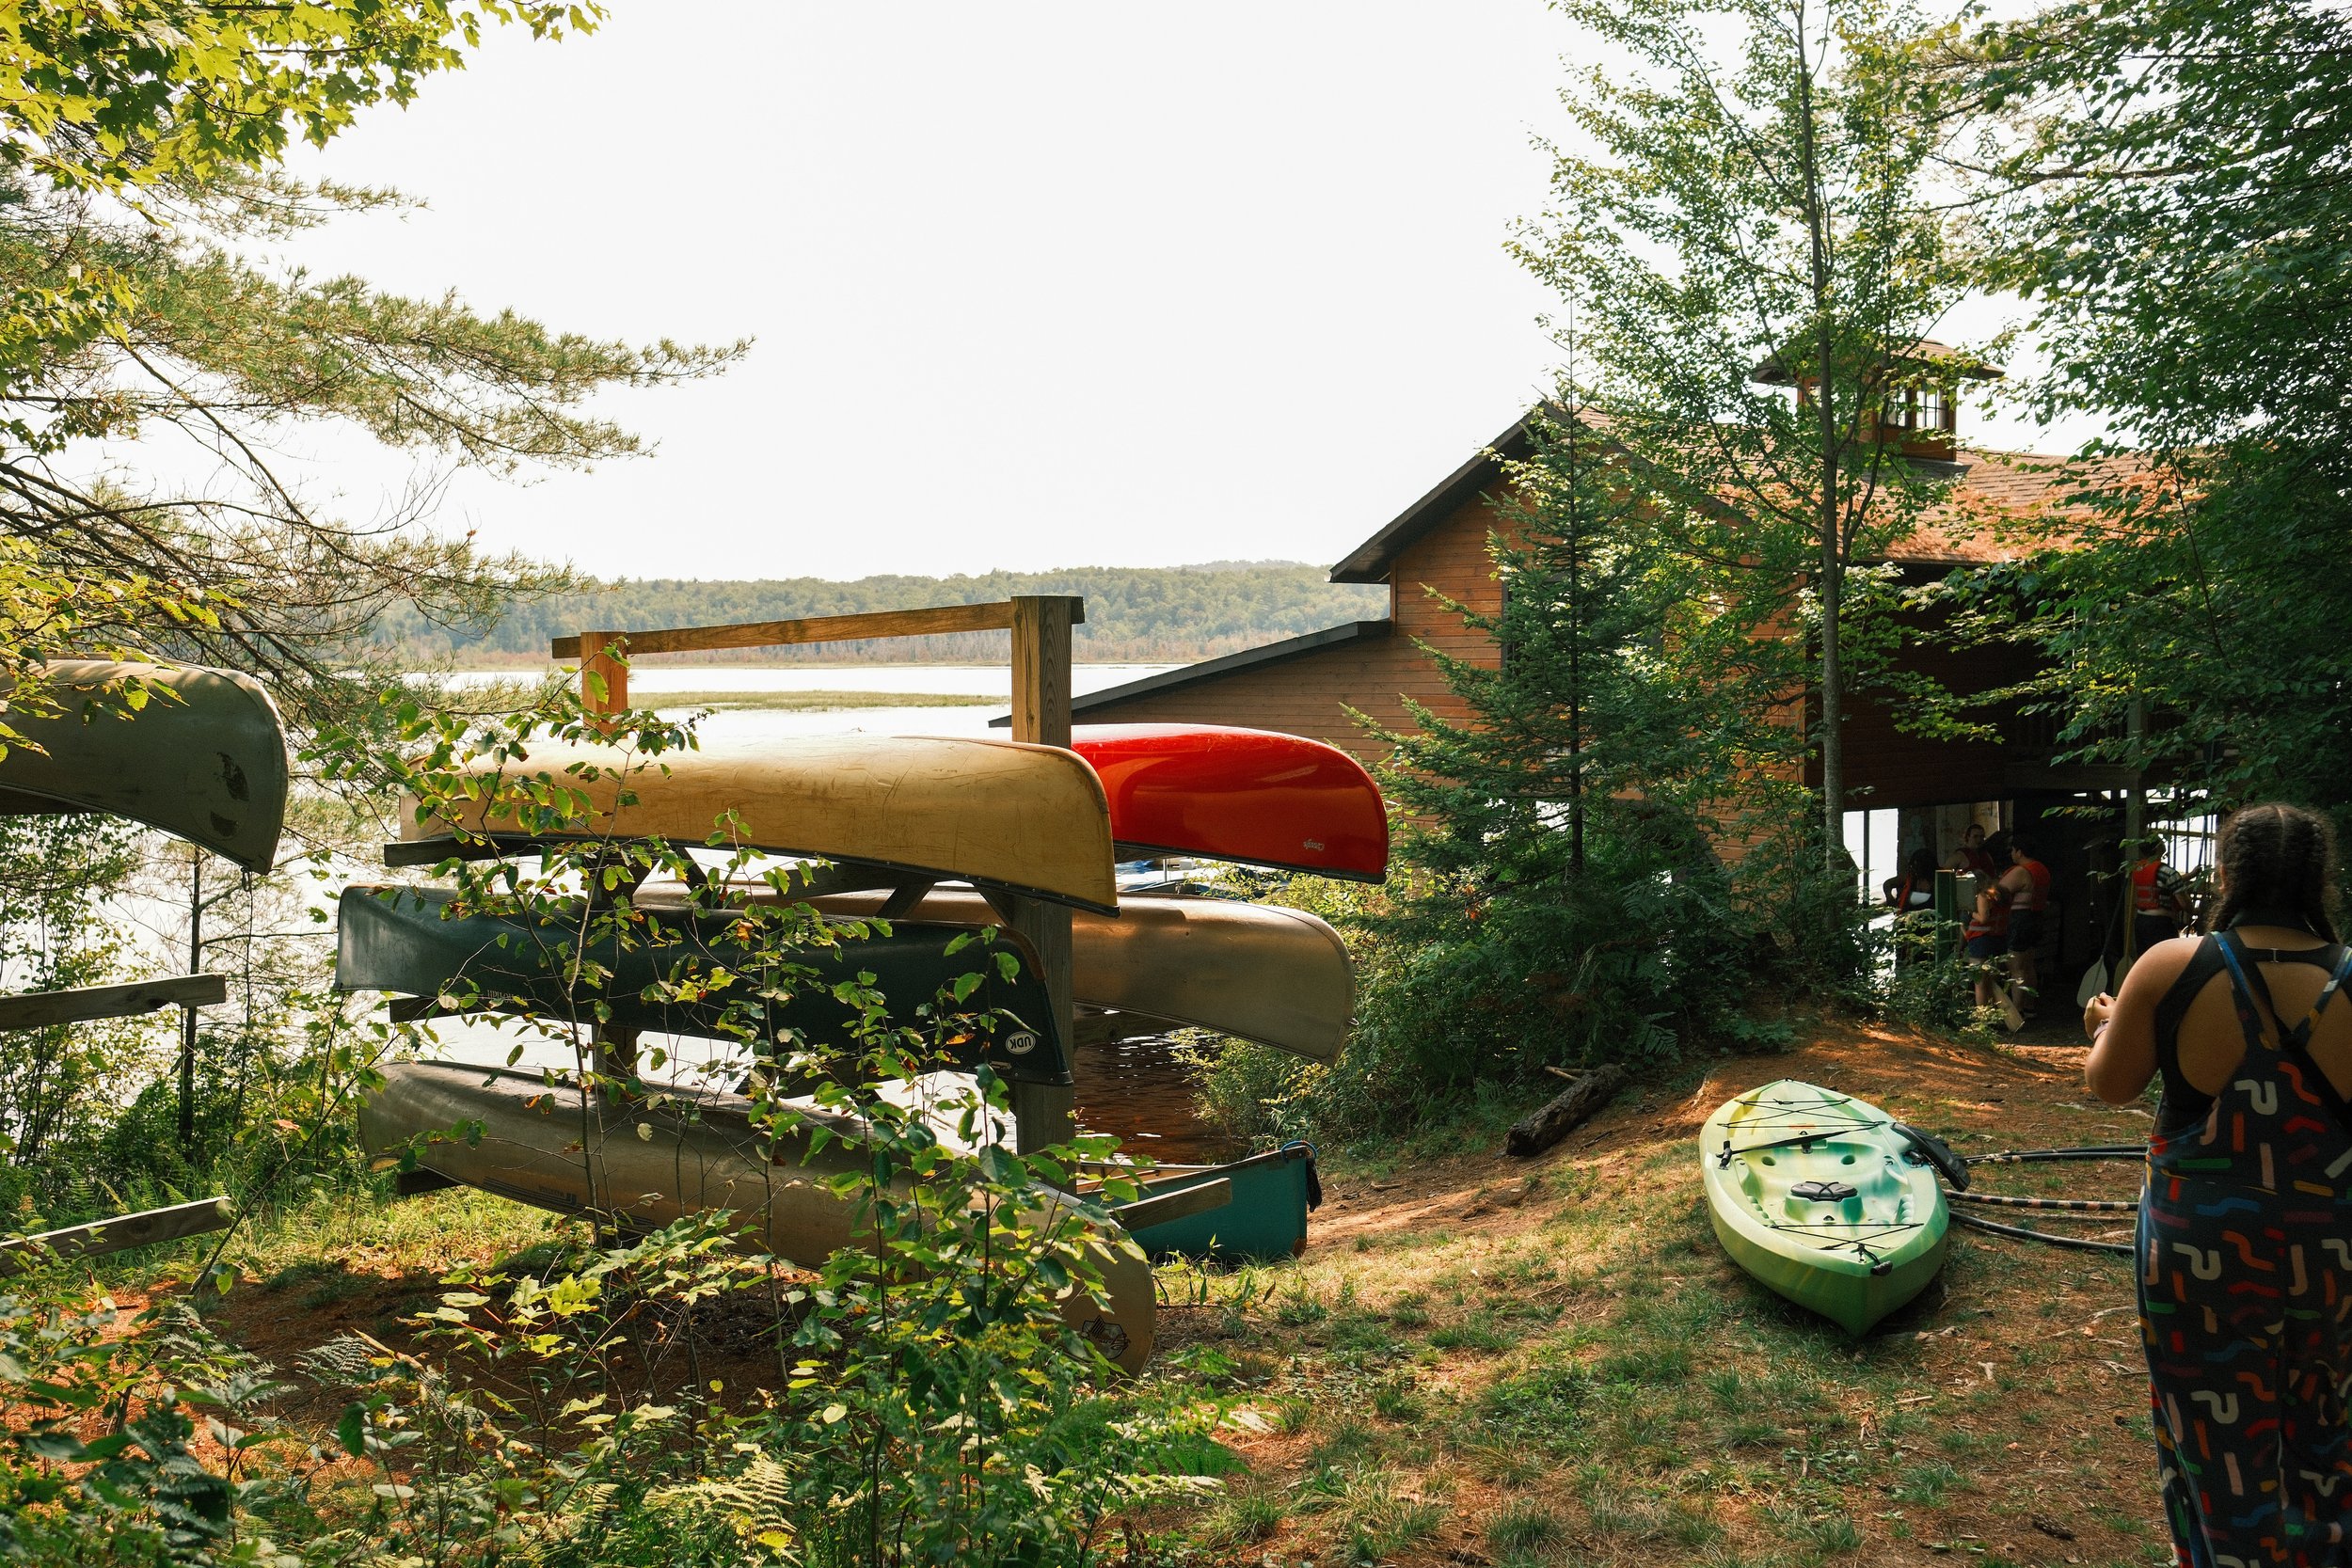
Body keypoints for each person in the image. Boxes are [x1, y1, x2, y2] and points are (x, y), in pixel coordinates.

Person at [2083, 801, 2352, 1564]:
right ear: (2316, 877)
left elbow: (2111, 1083)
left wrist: (2108, 1022)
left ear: (2227, 873)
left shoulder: (2176, 963)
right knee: (2330, 1428)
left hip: (2200, 1248)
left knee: (2210, 1435)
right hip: (2333, 1244)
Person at [1998, 834, 2053, 1011]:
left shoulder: (2022, 871)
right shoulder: (2042, 869)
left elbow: (1999, 892)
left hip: (2021, 920)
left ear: (2019, 852)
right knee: (2029, 965)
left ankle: (2016, 1010)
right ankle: (2029, 1006)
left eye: (2013, 851)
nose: (2012, 855)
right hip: (2036, 917)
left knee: (2016, 967)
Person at [2129, 839, 2191, 957]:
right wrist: (2193, 910)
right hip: (2161, 925)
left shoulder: (2138, 869)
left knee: (2146, 961)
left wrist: (2191, 875)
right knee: (2165, 960)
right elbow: (2184, 904)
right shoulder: (2168, 872)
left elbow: (2162, 882)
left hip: (2141, 922)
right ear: (2157, 847)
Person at [1963, 874, 2013, 1015]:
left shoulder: (1983, 896)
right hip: (1998, 940)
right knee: (1993, 981)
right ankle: (1994, 1015)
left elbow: (1983, 918)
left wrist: (1970, 912)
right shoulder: (2004, 897)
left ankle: (1982, 1018)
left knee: (1980, 983)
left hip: (1981, 940)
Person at [1884, 847, 1938, 911]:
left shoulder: (1939, 879)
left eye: (1918, 866)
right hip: (1908, 918)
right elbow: (1888, 884)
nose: (1914, 869)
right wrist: (1889, 897)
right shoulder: (1911, 877)